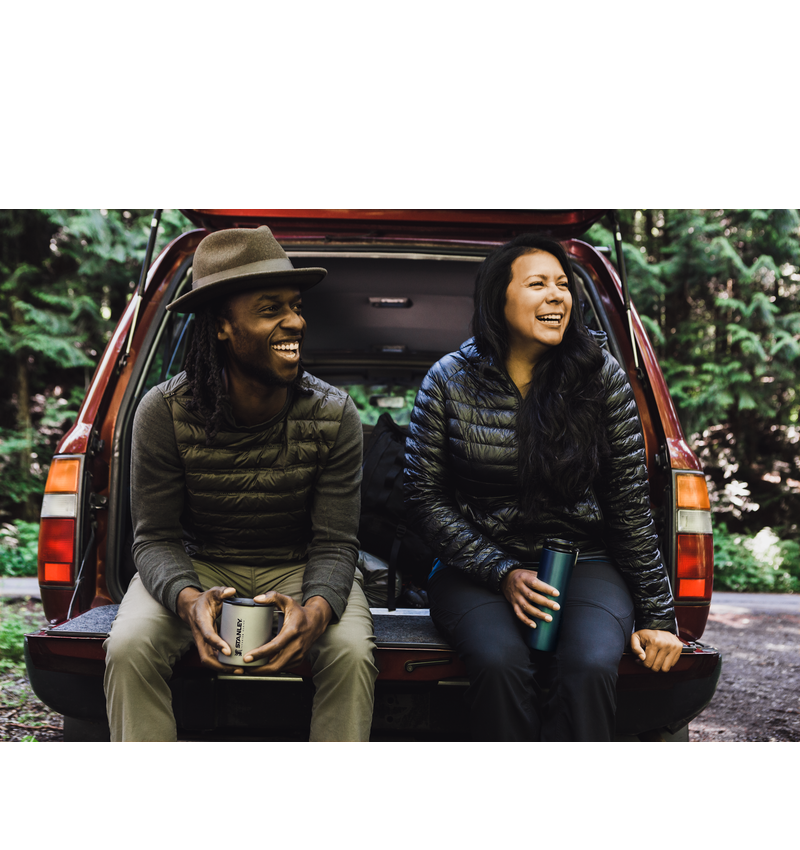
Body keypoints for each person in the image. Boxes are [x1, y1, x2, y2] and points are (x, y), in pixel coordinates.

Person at [103, 226, 378, 741]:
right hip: (201, 562)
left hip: (299, 564)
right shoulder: (163, 412)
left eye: (296, 306)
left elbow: (336, 542)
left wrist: (317, 612)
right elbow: (155, 538)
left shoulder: (335, 413)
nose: (295, 321)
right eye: (271, 309)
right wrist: (188, 599)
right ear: (222, 327)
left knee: (351, 651)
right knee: (128, 646)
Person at [404, 234, 682, 742]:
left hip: (585, 561)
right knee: (499, 663)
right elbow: (424, 498)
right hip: (475, 567)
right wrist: (502, 571)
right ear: (499, 298)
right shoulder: (448, 380)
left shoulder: (600, 376)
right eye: (538, 284)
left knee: (590, 666)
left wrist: (659, 618)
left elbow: (628, 505)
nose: (557, 295)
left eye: (563, 284)